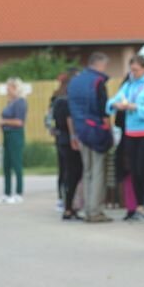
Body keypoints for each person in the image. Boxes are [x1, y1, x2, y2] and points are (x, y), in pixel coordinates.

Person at [107, 55, 144, 220]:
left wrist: (133, 107)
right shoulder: (128, 86)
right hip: (131, 132)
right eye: (131, 70)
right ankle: (139, 206)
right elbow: (112, 102)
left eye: (136, 70)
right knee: (134, 170)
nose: (133, 73)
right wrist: (115, 105)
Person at [67, 52, 113, 223]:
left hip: (80, 129)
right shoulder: (98, 82)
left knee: (87, 171)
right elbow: (103, 110)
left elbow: (70, 108)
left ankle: (87, 208)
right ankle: (95, 211)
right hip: (96, 129)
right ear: (100, 64)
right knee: (98, 170)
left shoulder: (75, 81)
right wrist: (108, 131)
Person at [51, 70, 83, 220]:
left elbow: (50, 120)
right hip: (70, 140)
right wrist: (73, 137)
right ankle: (69, 207)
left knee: (65, 172)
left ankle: (65, 203)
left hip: (60, 139)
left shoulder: (57, 100)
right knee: (74, 173)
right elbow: (70, 119)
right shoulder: (68, 101)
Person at [0, 77, 29, 204]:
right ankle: (7, 192)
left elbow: (20, 121)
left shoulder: (21, 102)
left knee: (16, 163)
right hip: (7, 134)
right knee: (6, 164)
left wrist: (4, 121)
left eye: (9, 87)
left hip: (16, 134)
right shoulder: (10, 102)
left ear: (15, 88)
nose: (7, 90)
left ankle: (19, 192)